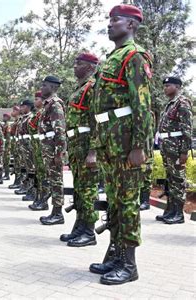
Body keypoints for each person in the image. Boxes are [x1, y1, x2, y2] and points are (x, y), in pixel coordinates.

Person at [85, 4, 153, 285]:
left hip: (126, 143)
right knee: (113, 202)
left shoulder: (135, 56)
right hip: (109, 142)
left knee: (127, 204)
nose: (110, 24)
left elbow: (142, 104)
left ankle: (129, 264)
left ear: (132, 25)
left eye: (116, 20)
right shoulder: (112, 58)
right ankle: (114, 255)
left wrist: (139, 146)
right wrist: (95, 144)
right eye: (110, 20)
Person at [60, 53, 100, 247]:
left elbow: (97, 121)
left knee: (88, 189)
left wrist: (93, 151)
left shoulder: (93, 88)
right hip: (76, 144)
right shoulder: (79, 88)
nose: (75, 66)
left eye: (80, 63)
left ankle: (89, 231)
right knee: (79, 189)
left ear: (91, 66)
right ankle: (80, 226)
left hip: (86, 144)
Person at [157, 76, 192, 224]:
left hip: (177, 147)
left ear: (177, 87)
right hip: (167, 145)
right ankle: (170, 211)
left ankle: (178, 214)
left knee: (178, 179)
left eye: (168, 86)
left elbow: (187, 129)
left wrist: (184, 152)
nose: (165, 88)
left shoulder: (182, 103)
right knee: (171, 179)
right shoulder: (170, 104)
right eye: (164, 86)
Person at [38, 76, 67, 225]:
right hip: (48, 147)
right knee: (52, 179)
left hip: (53, 148)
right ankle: (54, 212)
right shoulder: (47, 104)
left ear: (53, 87)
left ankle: (58, 213)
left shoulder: (55, 104)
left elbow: (60, 131)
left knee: (56, 180)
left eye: (44, 86)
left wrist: (59, 152)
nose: (41, 88)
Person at [28, 91, 51, 211]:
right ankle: (39, 198)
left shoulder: (44, 112)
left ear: (42, 101)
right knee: (39, 174)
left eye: (37, 99)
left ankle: (44, 200)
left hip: (43, 146)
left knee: (44, 175)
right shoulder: (37, 114)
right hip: (37, 146)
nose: (34, 101)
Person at [14, 99, 36, 201]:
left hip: (29, 147)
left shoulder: (31, 118)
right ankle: (27, 188)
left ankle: (32, 191)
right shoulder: (24, 118)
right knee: (26, 169)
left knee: (31, 170)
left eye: (23, 106)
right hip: (23, 146)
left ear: (27, 107)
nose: (21, 108)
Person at [8, 106, 23, 189]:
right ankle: (17, 181)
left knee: (20, 164)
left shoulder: (20, 120)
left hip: (20, 144)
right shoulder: (16, 121)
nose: (12, 112)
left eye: (14, 110)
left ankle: (19, 182)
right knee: (16, 164)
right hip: (16, 144)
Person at [2, 113, 12, 180]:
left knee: (7, 160)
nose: (3, 118)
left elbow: (8, 136)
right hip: (5, 144)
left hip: (7, 145)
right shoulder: (4, 125)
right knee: (4, 160)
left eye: (5, 117)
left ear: (8, 118)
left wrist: (6, 143)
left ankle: (7, 175)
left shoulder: (8, 125)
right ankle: (5, 174)